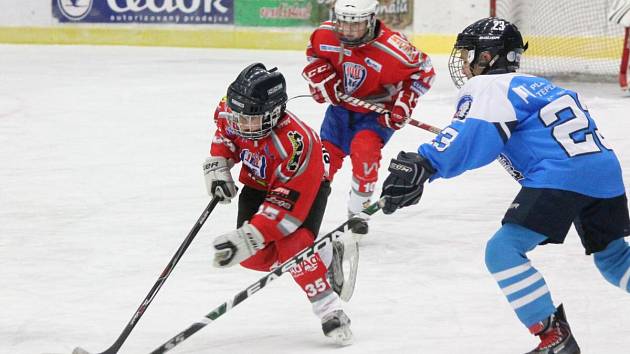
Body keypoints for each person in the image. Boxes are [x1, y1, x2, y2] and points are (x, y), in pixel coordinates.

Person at [379, 17, 630, 354]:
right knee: (613, 258)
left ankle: (554, 339)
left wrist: (425, 163)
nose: (465, 64)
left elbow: (474, 136)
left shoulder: (489, 87)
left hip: (561, 174)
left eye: (470, 54)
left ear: (488, 57)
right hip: (604, 171)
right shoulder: (540, 85)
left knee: (503, 251)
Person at [203, 63, 352, 345]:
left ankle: (328, 309)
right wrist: (218, 165)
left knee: (291, 246)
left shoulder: (298, 144)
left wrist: (250, 236)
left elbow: (285, 211)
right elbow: (225, 134)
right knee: (253, 257)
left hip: (303, 186)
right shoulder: (235, 109)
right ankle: (324, 252)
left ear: (273, 113)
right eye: (237, 117)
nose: (241, 125)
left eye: (250, 120)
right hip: (260, 183)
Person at [302, 0, 435, 237]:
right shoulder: (324, 34)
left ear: (371, 20)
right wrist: (320, 76)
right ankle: (307, 214)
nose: (347, 30)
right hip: (340, 110)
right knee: (323, 163)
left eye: (355, 25)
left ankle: (357, 214)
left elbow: (424, 71)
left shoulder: (393, 48)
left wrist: (405, 102)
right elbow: (314, 55)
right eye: (342, 23)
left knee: (365, 152)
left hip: (376, 114)